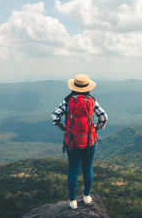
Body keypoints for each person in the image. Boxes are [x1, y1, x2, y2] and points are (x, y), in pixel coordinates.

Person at [51, 74, 108, 210]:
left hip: (72, 141)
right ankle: (87, 197)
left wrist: (64, 128)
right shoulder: (92, 101)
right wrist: (95, 128)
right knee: (87, 168)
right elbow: (103, 117)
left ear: (74, 87)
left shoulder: (67, 101)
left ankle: (72, 202)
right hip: (89, 140)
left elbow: (54, 117)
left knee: (73, 171)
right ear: (87, 87)